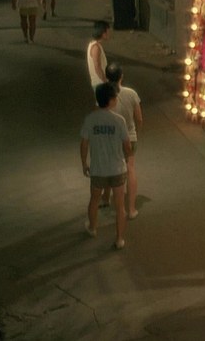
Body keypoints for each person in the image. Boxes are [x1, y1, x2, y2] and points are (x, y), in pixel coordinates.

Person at [80, 82, 132, 250]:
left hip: (98, 169)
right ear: (110, 100)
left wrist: (84, 163)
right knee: (120, 206)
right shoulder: (119, 120)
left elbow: (84, 143)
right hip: (117, 169)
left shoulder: (90, 119)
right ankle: (119, 239)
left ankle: (93, 227)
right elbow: (127, 146)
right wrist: (127, 157)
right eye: (115, 97)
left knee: (94, 200)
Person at [101, 63, 142, 219]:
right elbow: (139, 118)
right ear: (121, 76)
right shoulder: (131, 94)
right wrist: (136, 133)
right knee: (130, 169)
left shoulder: (103, 94)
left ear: (106, 77)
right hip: (129, 137)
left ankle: (106, 198)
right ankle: (131, 209)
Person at [87, 21, 110, 90]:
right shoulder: (95, 47)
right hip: (100, 83)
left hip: (99, 83)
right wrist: (106, 82)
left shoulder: (95, 45)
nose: (109, 34)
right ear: (103, 33)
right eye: (107, 32)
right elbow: (97, 67)